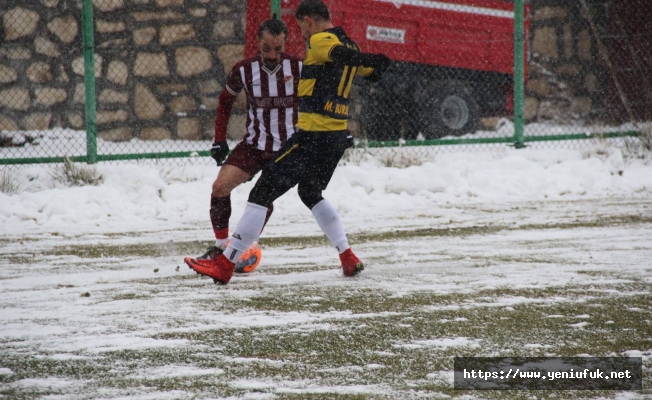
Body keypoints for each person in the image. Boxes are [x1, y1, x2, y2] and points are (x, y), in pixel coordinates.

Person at [186, 0, 390, 284]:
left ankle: (225, 264)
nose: (303, 36)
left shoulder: (321, 41)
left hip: (311, 136)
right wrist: (372, 61)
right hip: (335, 138)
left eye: (299, 28)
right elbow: (367, 69)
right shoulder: (352, 45)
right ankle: (347, 256)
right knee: (310, 192)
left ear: (308, 21)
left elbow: (335, 53)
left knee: (260, 195)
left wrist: (363, 60)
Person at [184, 19, 302, 273]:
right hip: (254, 145)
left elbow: (321, 98)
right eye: (266, 49)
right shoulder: (244, 70)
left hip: (286, 150)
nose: (272, 55)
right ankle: (220, 247)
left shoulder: (299, 68)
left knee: (261, 198)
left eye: (278, 49)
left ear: (285, 45)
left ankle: (245, 247)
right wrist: (219, 139)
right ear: (257, 43)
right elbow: (225, 101)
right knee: (219, 187)